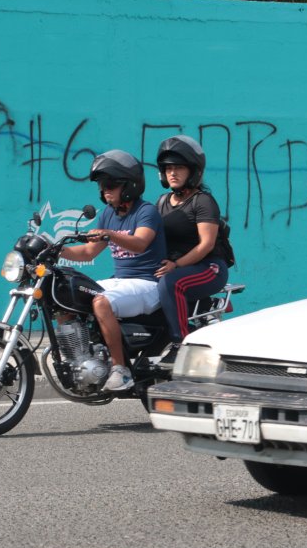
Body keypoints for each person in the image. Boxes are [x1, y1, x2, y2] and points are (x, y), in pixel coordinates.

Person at [60, 150, 166, 391]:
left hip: (148, 284)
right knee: (66, 298)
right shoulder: (108, 213)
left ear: (129, 185)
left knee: (100, 302)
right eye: (101, 185)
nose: (104, 189)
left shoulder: (146, 211)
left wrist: (110, 234)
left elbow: (140, 243)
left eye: (110, 184)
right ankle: (79, 361)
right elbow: (88, 252)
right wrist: (55, 250)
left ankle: (121, 369)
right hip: (121, 281)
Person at [153, 135, 230, 363]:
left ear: (193, 171)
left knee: (171, 283)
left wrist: (175, 265)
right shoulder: (161, 202)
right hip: (174, 266)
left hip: (208, 267)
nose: (172, 173)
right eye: (168, 168)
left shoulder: (203, 201)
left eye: (179, 168)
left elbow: (206, 244)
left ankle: (181, 343)